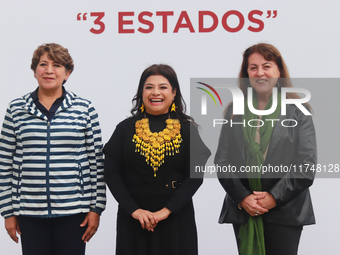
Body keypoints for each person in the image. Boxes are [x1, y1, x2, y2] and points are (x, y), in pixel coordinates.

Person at [0, 43, 106, 255]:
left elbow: (96, 162)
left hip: (75, 211)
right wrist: (8, 212)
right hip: (29, 213)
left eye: (57, 65)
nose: (49, 70)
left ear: (67, 73)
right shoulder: (16, 109)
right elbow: (5, 164)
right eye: (43, 64)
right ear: (34, 71)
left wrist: (96, 208)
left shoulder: (84, 109)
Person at [215, 43, 316, 255]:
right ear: (247, 74)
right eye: (253, 67)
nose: (260, 72)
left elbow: (306, 166)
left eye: (266, 66)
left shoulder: (299, 111)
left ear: (278, 70)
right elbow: (222, 162)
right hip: (245, 209)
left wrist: (273, 197)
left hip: (285, 211)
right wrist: (243, 198)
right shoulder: (234, 111)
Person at [103, 64, 211, 255]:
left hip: (176, 218)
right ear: (141, 92)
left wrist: (166, 211)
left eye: (163, 87)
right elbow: (111, 173)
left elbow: (195, 177)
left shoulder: (187, 129)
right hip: (133, 218)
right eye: (149, 87)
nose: (156, 93)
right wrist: (134, 211)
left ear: (174, 92)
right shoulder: (124, 128)